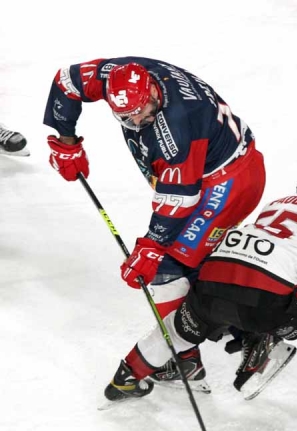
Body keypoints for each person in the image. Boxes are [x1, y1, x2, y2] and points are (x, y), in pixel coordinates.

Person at [103, 155, 297, 431]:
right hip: (265, 299)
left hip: (210, 282)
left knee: (180, 329)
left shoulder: (277, 204)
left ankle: (125, 377)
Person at [43, 57, 266, 391]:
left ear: (150, 89)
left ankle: (200, 353)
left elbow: (179, 199)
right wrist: (66, 141)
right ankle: (236, 337)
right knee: (192, 261)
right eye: (126, 115)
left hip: (227, 183)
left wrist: (150, 247)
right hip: (209, 174)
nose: (136, 119)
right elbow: (67, 81)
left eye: (141, 109)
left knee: (166, 265)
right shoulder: (116, 77)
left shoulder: (176, 126)